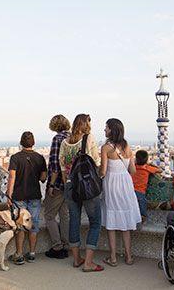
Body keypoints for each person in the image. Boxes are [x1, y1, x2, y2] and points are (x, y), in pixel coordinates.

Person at [59, 114, 103, 272]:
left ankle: (77, 259)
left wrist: (68, 184)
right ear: (86, 124)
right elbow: (96, 161)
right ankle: (89, 262)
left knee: (74, 221)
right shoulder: (88, 138)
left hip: (70, 185)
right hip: (86, 186)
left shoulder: (65, 142)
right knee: (95, 222)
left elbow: (62, 167)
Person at [100, 118, 141, 267]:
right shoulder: (127, 146)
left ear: (111, 130)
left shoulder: (105, 148)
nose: (104, 130)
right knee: (125, 221)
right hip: (125, 184)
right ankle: (129, 257)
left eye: (106, 128)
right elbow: (133, 170)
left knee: (112, 221)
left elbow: (103, 171)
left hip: (112, 184)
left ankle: (113, 258)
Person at [7, 131, 47, 265]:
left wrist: (9, 194)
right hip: (34, 195)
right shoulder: (40, 158)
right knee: (33, 224)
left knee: (20, 225)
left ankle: (19, 254)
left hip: (19, 196)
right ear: (33, 143)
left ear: (21, 143)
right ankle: (32, 253)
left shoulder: (15, 158)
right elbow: (43, 178)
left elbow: (12, 177)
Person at [44, 115, 71, 259]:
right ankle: (66, 245)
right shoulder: (73, 138)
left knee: (49, 215)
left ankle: (57, 247)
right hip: (70, 183)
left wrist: (52, 185)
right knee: (64, 215)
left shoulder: (58, 139)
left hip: (58, 183)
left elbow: (55, 164)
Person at [132, 150, 162, 219]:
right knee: (142, 203)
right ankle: (143, 216)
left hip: (131, 190)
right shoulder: (147, 168)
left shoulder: (133, 167)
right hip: (140, 191)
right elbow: (160, 170)